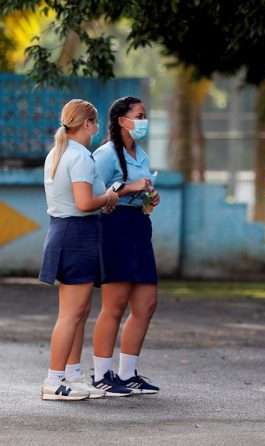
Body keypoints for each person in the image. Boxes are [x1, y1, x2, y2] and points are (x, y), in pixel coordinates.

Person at [39, 99, 119, 400]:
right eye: (95, 123)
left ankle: (72, 375)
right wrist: (111, 196)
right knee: (71, 314)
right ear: (88, 124)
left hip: (66, 231)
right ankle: (54, 380)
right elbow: (85, 203)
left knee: (79, 312)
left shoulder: (59, 153)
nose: (97, 129)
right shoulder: (81, 157)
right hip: (76, 234)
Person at [91, 96, 160, 396]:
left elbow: (142, 187)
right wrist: (126, 188)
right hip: (114, 227)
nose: (144, 121)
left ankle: (128, 373)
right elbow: (92, 194)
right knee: (114, 304)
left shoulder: (140, 154)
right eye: (139, 115)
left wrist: (149, 197)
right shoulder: (105, 154)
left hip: (138, 226)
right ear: (122, 120)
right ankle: (102, 374)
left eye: (145, 115)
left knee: (146, 303)